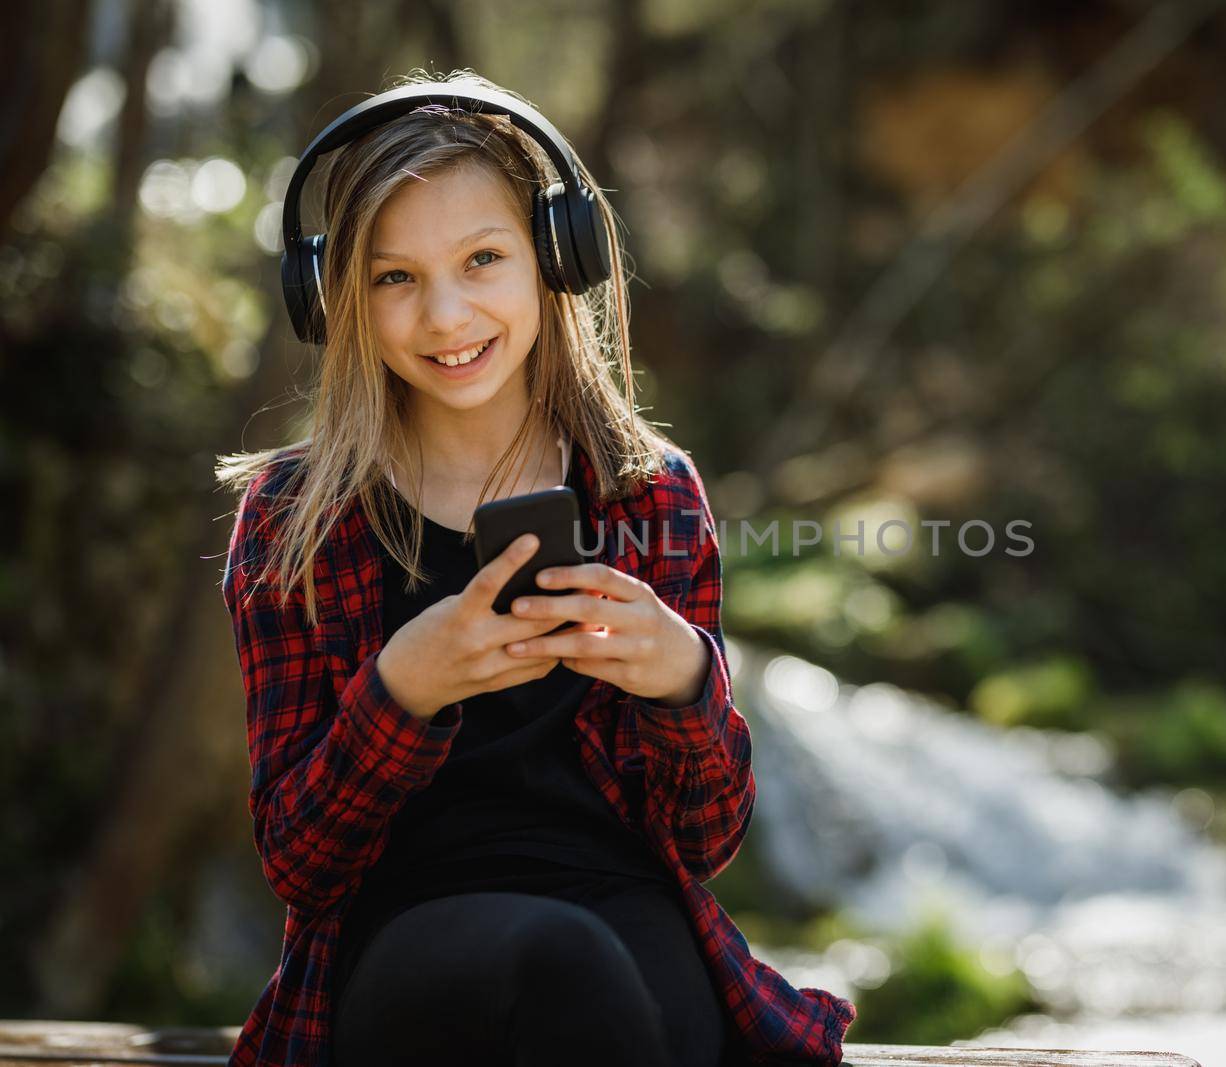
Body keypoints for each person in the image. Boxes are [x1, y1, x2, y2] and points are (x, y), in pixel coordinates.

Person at [214, 70, 856, 1067]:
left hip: (625, 902)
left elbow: (705, 838)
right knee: (560, 966)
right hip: (403, 929)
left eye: (482, 259)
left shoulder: (651, 496)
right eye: (394, 277)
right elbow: (297, 858)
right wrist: (401, 690)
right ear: (334, 295)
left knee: (652, 1010)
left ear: (556, 257)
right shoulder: (297, 518)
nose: (444, 314)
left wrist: (683, 681)